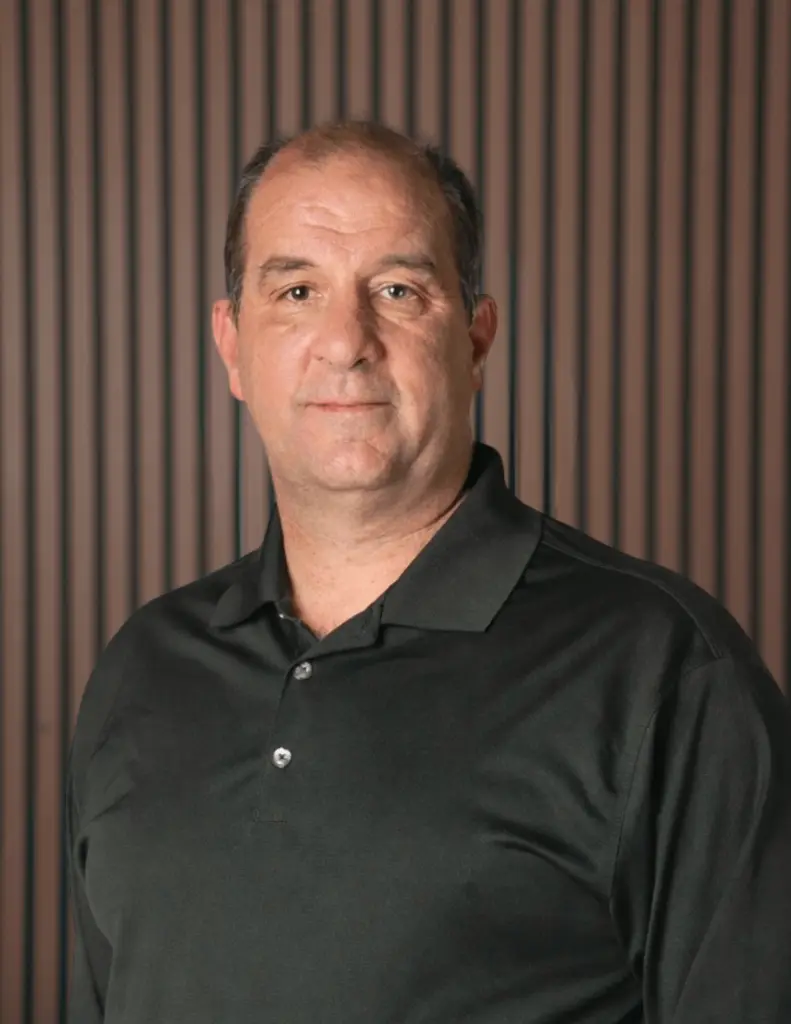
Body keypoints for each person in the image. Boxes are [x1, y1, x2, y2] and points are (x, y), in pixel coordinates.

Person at [67, 120, 791, 1024]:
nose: (345, 341)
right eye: (296, 289)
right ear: (232, 345)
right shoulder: (145, 666)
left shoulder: (666, 675)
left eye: (398, 290)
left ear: (477, 337)